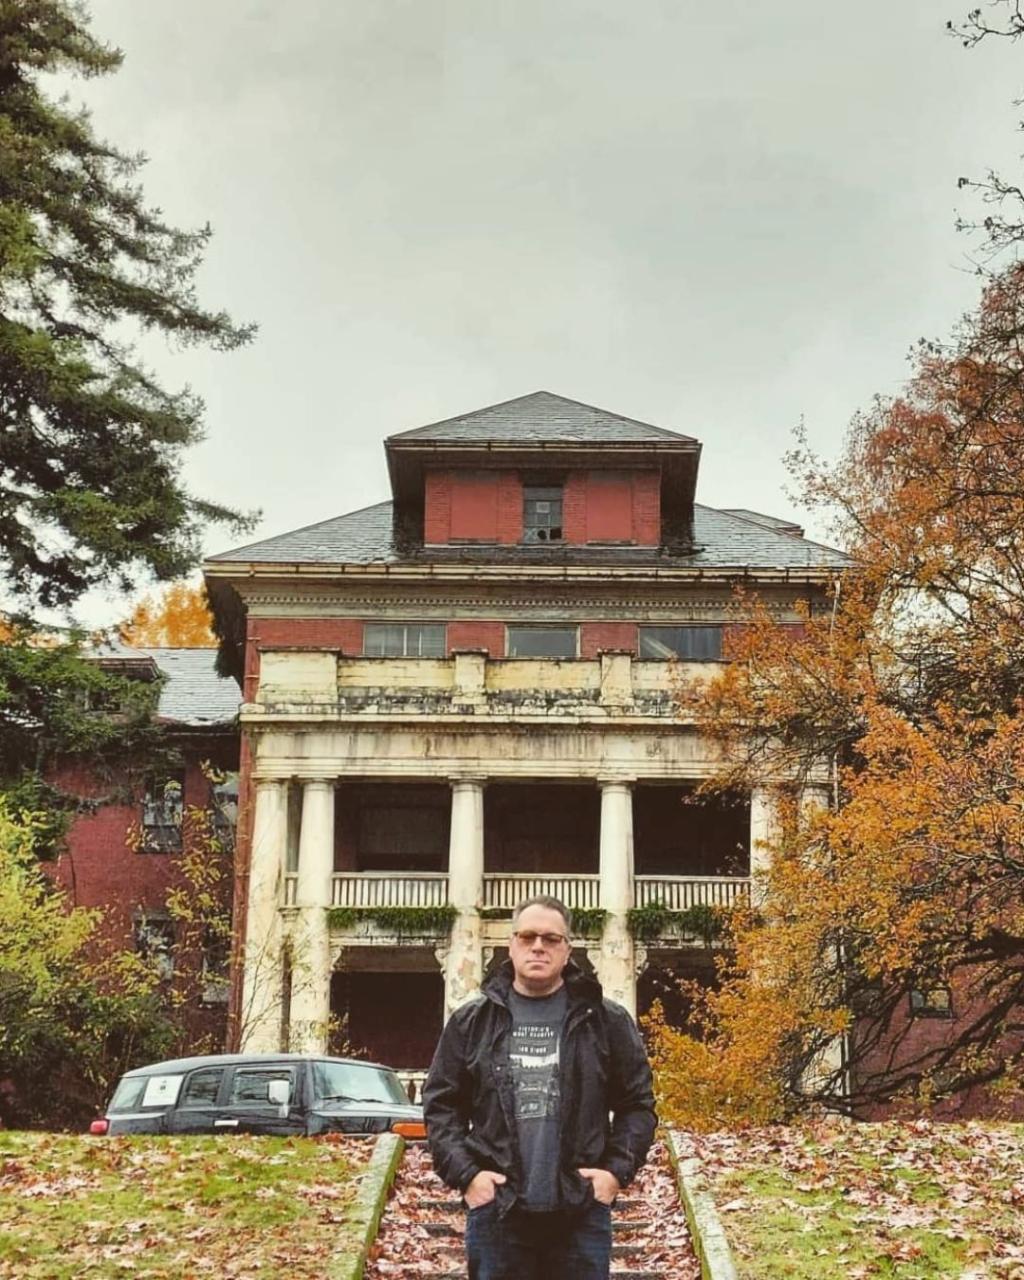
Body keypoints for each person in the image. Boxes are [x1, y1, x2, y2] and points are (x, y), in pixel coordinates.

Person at [422, 895, 657, 1280]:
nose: (538, 946)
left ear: (567, 950)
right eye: (528, 936)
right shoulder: (472, 1022)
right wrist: (468, 1176)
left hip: (580, 1213)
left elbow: (638, 1105)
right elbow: (441, 1106)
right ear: (511, 945)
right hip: (498, 1213)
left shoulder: (605, 1020)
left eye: (551, 939)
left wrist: (613, 1174)